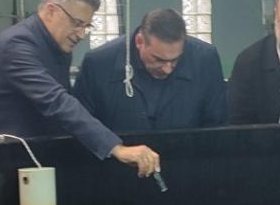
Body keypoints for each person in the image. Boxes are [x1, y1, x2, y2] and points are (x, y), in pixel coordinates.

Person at [0, 0, 159, 177]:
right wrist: (116, 147)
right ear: (51, 11)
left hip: (25, 160)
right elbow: (57, 101)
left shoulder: (56, 46)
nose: (81, 34)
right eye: (77, 23)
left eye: (87, 26)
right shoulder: (16, 45)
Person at [73, 8, 227, 132]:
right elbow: (81, 127)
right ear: (139, 41)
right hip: (115, 159)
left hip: (188, 157)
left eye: (175, 60)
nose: (167, 69)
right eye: (159, 60)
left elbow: (217, 126)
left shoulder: (204, 60)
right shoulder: (98, 64)